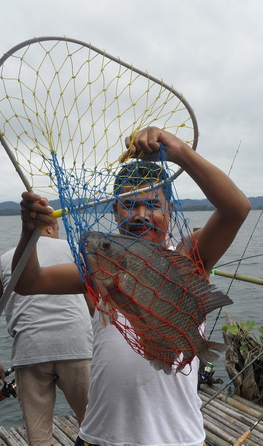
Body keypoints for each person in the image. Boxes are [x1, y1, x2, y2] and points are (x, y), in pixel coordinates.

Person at [14, 126, 251, 446]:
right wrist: (30, 232)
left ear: (169, 209)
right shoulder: (97, 269)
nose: (141, 214)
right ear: (115, 211)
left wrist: (179, 152)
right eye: (129, 204)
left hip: (177, 439)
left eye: (152, 203)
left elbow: (236, 209)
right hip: (100, 436)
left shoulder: (188, 259)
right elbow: (28, 282)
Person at [0, 220, 93, 446]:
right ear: (50, 227)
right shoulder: (74, 251)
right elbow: (95, 306)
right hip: (77, 347)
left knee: (39, 439)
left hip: (29, 352)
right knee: (95, 426)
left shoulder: (5, 260)